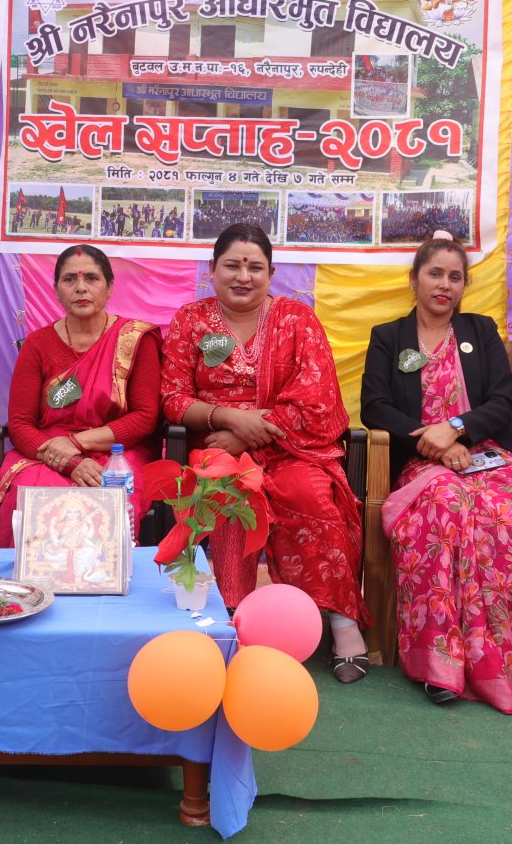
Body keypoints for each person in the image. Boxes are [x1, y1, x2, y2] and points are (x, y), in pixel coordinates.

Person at [160, 223, 370, 682]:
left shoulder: (298, 320)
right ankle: (232, 619)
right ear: (212, 270)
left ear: (271, 274)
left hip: (292, 448)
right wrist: (228, 419)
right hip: (217, 446)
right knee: (227, 492)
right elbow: (173, 398)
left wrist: (250, 433)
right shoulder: (190, 321)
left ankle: (342, 623)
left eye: (255, 267)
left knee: (310, 494)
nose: (243, 276)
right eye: (232, 266)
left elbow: (316, 399)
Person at [360, 232, 512, 712]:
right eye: (434, 274)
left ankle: (494, 662)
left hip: (492, 456)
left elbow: (502, 402)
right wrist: (435, 444)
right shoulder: (389, 337)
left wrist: (457, 429)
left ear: (464, 285)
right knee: (447, 504)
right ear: (414, 279)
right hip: (422, 461)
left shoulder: (480, 331)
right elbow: (375, 407)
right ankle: (441, 663)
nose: (444, 285)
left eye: (455, 277)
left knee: (503, 516)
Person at [0, 244, 161, 546]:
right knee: (29, 493)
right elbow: (20, 424)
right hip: (48, 452)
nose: (81, 287)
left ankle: (108, 575)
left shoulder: (135, 340)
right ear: (56, 290)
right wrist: (70, 461)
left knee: (113, 494)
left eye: (91, 278)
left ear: (110, 287)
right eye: (69, 279)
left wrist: (75, 443)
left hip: (117, 451)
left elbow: (144, 418)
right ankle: (30, 575)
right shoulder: (38, 344)